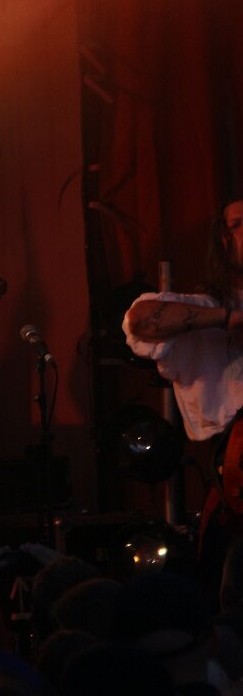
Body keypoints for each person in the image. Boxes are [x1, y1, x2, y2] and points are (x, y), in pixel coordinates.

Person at [124, 196, 243, 610]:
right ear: (223, 242)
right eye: (239, 224)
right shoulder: (204, 308)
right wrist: (229, 319)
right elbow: (140, 320)